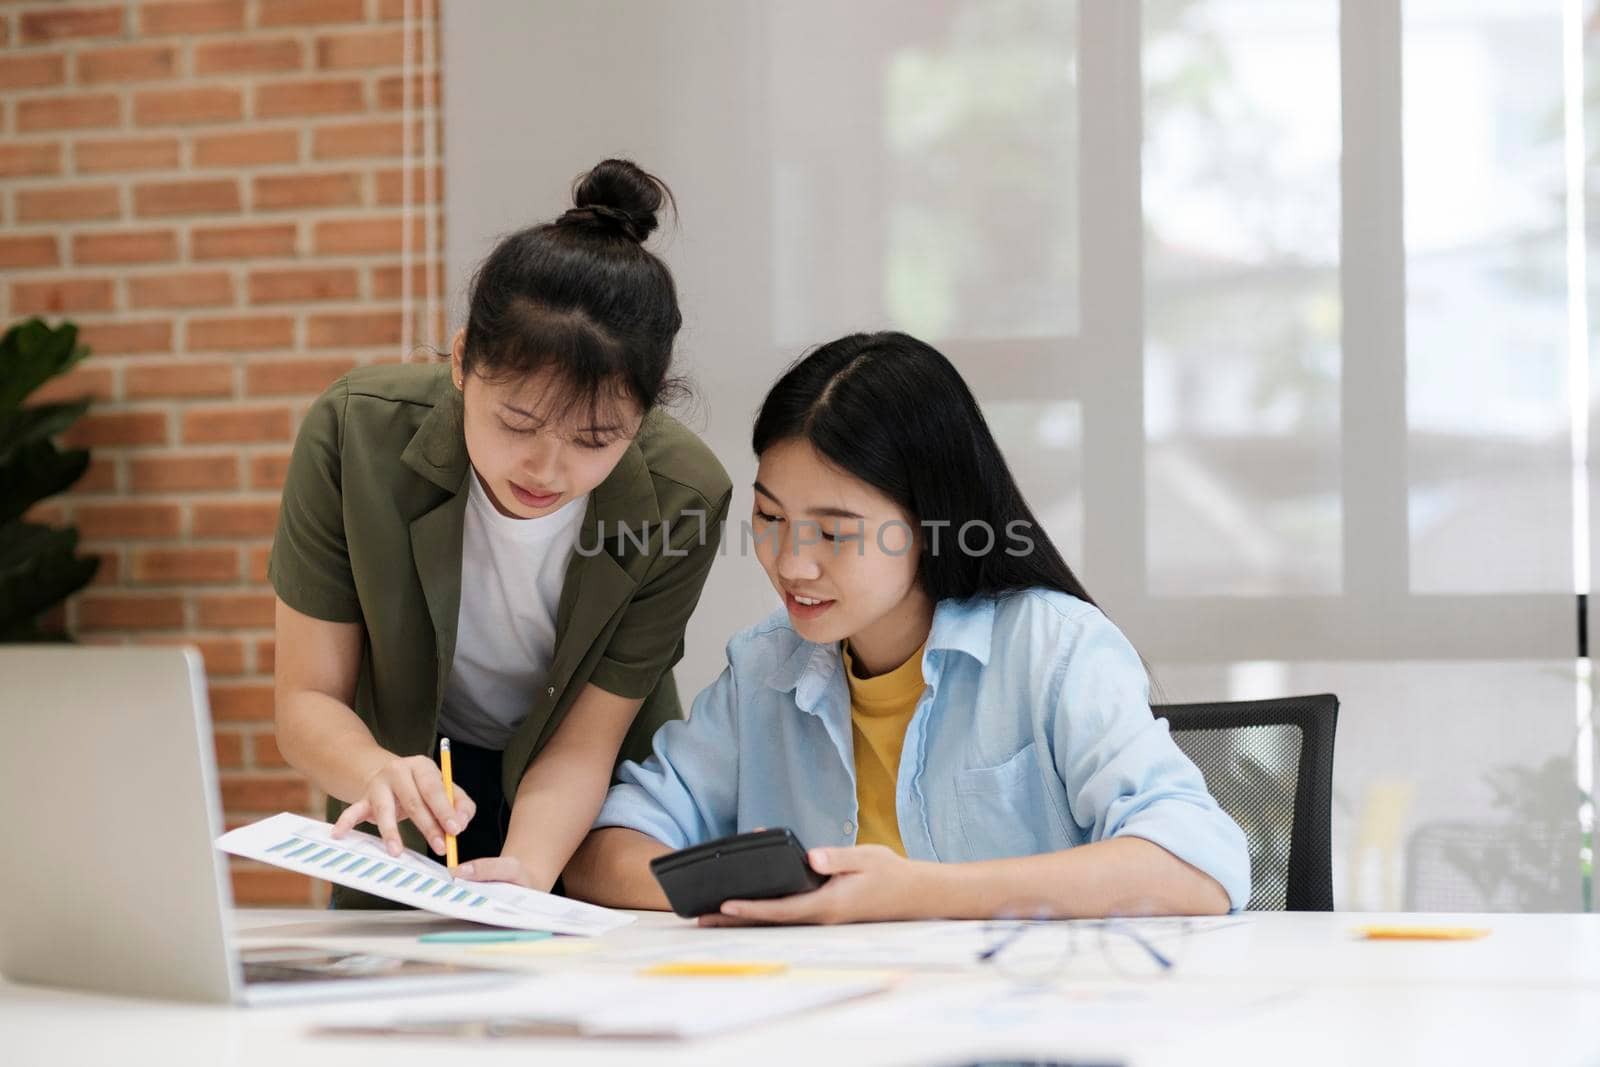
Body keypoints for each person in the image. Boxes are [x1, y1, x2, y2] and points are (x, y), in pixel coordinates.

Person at [563, 331, 1249, 923]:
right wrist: (758, 898)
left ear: (930, 524)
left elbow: (1197, 863)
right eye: (770, 518)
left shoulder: (1053, 649)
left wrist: (919, 892)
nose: (791, 562)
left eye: (834, 531)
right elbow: (605, 848)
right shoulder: (766, 668)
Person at [270, 159, 732, 906]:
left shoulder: (683, 494)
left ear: (643, 419)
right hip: (407, 782)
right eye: (517, 422)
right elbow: (306, 702)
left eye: (596, 439)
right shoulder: (356, 435)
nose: (547, 468)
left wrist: (524, 880)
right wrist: (371, 768)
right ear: (460, 362)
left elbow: (586, 742)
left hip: (586, 807)